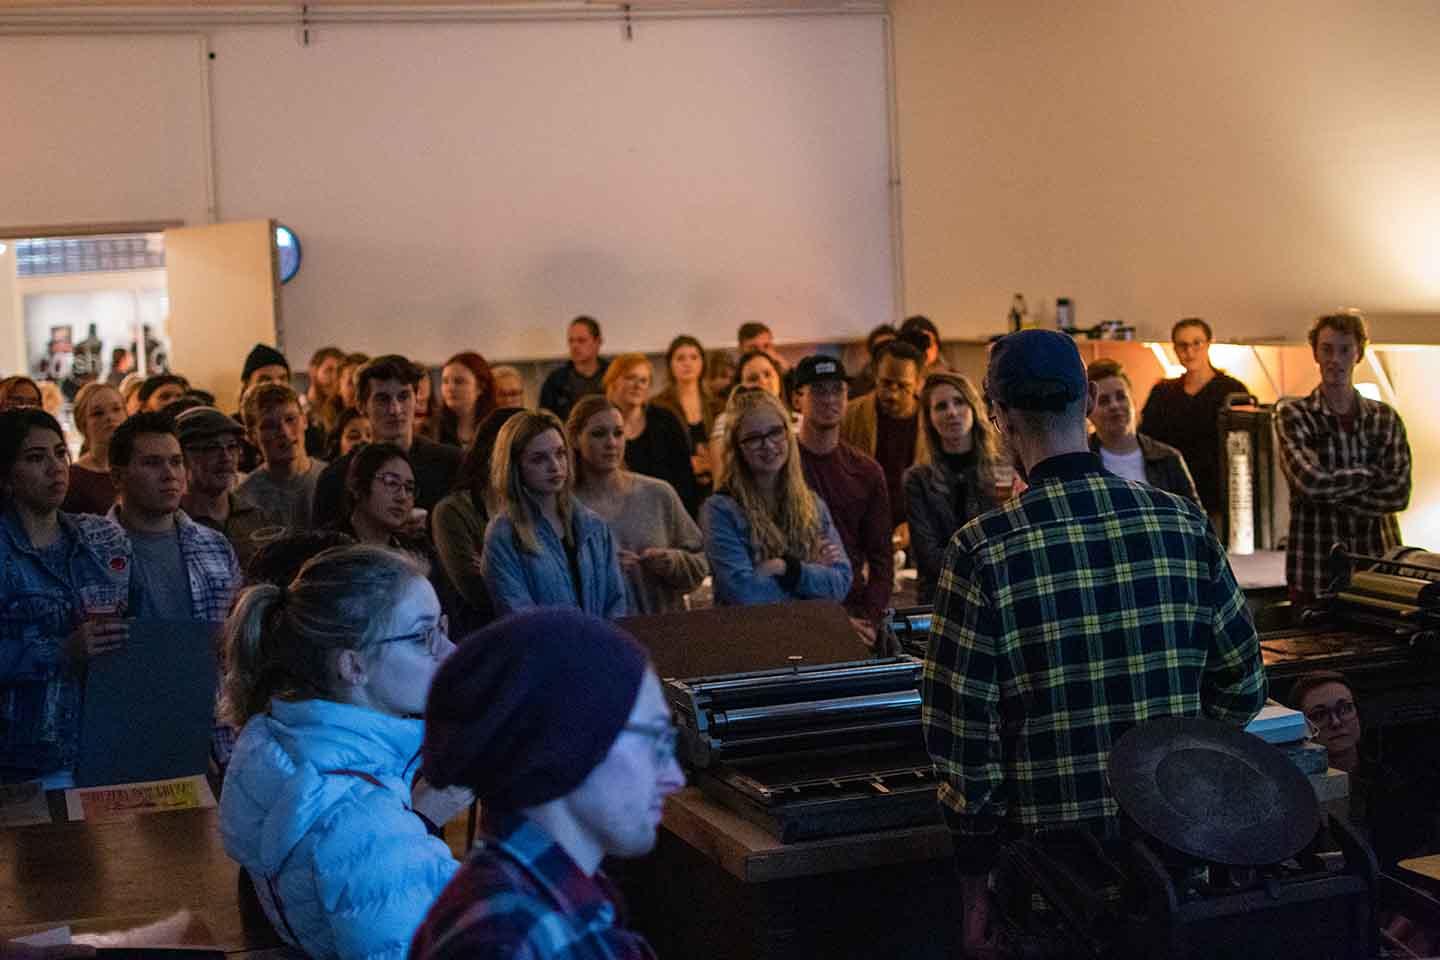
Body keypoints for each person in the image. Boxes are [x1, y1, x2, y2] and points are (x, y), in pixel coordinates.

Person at [921, 329, 1266, 955]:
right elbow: (1242, 679)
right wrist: (1183, 771)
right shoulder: (1181, 522)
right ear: (1085, 405)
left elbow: (963, 738)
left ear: (998, 418)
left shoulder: (982, 549)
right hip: (1180, 861)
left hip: (1054, 886)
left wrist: (975, 891)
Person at [218, 544, 468, 960]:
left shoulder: (273, 736)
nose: (450, 651)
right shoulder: (366, 818)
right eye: (424, 637)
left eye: (441, 628)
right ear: (353, 666)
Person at [413, 608, 684, 960]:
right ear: (569, 747)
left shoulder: (544, 908)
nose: (675, 778)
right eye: (655, 741)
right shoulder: (510, 939)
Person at [0, 409, 130, 787]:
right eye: (35, 458)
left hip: (97, 743)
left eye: (60, 453)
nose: (55, 467)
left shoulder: (99, 539)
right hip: (21, 757)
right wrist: (58, 650)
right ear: (7, 476)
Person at [1277, 311, 1411, 602]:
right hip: (1315, 568)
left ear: (1358, 353)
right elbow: (1311, 483)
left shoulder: (1384, 418)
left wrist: (1331, 491)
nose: (1334, 359)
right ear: (1315, 353)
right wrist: (1372, 474)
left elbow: (1399, 494)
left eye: (1344, 349)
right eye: (1326, 349)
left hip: (1378, 568)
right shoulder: (1294, 415)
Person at [701, 389, 851, 606]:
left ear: (788, 433)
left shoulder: (812, 504)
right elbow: (746, 595)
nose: (768, 445)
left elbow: (840, 584)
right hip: (751, 636)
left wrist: (787, 568)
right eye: (753, 438)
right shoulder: (720, 510)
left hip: (810, 634)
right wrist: (812, 572)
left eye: (775, 432)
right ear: (737, 447)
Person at [569, 395, 707, 615]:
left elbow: (701, 563)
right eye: (598, 434)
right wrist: (602, 572)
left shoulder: (658, 493)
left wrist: (671, 562)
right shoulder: (567, 507)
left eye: (618, 433)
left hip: (665, 630)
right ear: (576, 439)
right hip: (601, 634)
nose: (611, 443)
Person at [481, 410, 626, 619]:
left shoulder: (594, 525)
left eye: (560, 453)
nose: (555, 467)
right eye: (539, 459)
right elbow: (517, 614)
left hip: (600, 647)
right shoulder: (504, 534)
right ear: (515, 466)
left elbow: (616, 604)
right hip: (543, 648)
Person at [1288, 671, 1440, 870]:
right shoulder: (1296, 797)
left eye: (1345, 709)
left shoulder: (1396, 786)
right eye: (1319, 715)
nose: (1335, 722)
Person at [791, 356, 892, 642]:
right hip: (795, 611)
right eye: (819, 390)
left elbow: (881, 559)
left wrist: (869, 619)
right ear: (798, 398)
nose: (830, 399)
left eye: (837, 390)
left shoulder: (866, 471)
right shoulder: (780, 469)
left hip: (856, 611)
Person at [109, 411, 242, 624]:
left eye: (176, 461)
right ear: (117, 477)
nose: (169, 474)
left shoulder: (215, 546)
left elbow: (238, 630)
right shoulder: (90, 551)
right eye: (152, 463)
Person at [312, 355, 462, 528]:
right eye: (382, 399)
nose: (395, 410)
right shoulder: (338, 476)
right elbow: (326, 549)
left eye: (403, 397)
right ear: (361, 406)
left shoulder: (451, 464)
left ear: (416, 400)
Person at [903, 372, 1007, 605]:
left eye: (959, 402)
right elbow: (928, 555)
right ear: (929, 418)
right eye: (941, 406)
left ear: (973, 407)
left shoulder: (1004, 469)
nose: (951, 412)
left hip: (998, 596)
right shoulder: (917, 480)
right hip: (941, 599)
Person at [1138, 318, 1250, 520]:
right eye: (1182, 345)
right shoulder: (1163, 393)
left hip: (1219, 496)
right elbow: (1146, 441)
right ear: (1174, 348)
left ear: (1208, 344)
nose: (1190, 351)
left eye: (1196, 343)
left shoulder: (1232, 391)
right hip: (1172, 495)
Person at [432, 408, 525, 633]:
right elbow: (478, 592)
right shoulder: (453, 511)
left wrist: (491, 565)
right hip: (481, 637)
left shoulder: (536, 508)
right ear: (492, 452)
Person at [840, 339, 927, 531]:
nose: (892, 394)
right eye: (886, 383)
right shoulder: (851, 415)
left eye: (903, 386)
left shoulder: (931, 421)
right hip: (861, 523)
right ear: (875, 374)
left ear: (919, 382)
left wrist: (914, 523)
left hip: (915, 525)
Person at [1086, 358, 1200, 503]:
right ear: (1088, 411)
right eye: (1103, 401)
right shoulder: (1082, 463)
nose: (1114, 405)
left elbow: (1197, 519)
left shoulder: (1167, 459)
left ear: (1133, 401)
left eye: (1121, 397)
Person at [174, 407, 272, 570]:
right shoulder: (171, 525)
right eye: (211, 448)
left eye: (232, 447)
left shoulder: (256, 518)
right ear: (182, 457)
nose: (226, 457)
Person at [603, 353, 700, 517]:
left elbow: (686, 480)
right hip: (615, 516)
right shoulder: (599, 423)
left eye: (643, 381)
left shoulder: (666, 420)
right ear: (613, 382)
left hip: (665, 515)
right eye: (630, 378)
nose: (637, 385)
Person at [237, 383, 326, 535]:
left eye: (290, 419)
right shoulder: (245, 498)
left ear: (304, 421)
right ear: (252, 436)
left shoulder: (332, 478)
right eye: (270, 426)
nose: (284, 432)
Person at [651, 335, 720, 504]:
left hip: (715, 486)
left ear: (703, 363)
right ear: (670, 365)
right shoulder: (658, 406)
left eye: (694, 357)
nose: (687, 363)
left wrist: (712, 464)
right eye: (680, 358)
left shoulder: (717, 405)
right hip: (676, 488)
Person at [62, 382, 127, 515]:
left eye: (116, 409)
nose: (110, 418)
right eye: (98, 413)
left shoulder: (139, 468)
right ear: (83, 423)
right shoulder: (72, 479)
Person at [539, 315, 609, 423]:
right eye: (571, 341)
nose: (574, 346)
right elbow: (544, 420)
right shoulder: (555, 381)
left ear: (598, 342)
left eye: (581, 341)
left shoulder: (613, 376)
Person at [437, 351, 496, 449]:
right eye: (445, 381)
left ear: (480, 388)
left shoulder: (497, 428)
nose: (450, 388)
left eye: (459, 381)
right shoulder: (434, 428)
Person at [303, 345, 346, 434]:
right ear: (313, 371)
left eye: (339, 372)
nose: (334, 377)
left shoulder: (342, 413)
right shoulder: (299, 408)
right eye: (329, 370)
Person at [848, 323, 897, 399]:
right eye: (880, 348)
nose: (886, 352)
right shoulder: (860, 385)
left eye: (891, 346)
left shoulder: (908, 378)